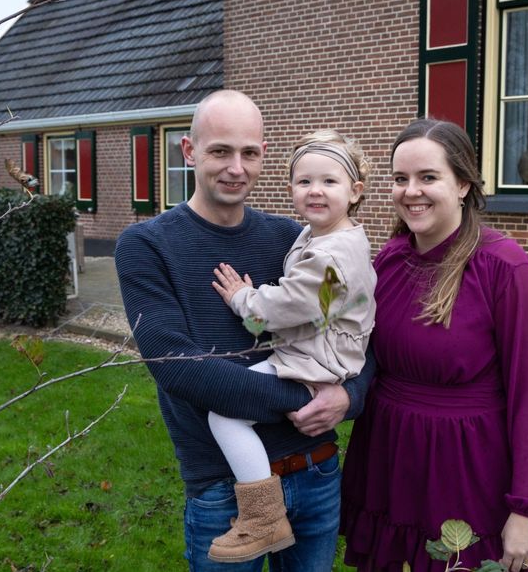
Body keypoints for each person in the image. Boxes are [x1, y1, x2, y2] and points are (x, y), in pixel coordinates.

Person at [115, 90, 375, 572]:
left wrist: (348, 397)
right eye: (220, 151)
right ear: (189, 151)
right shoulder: (146, 246)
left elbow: (358, 332)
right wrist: (306, 399)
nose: (236, 167)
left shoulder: (295, 239)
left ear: (263, 155)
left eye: (249, 153)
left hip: (314, 470)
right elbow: (178, 367)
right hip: (222, 489)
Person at [340, 118, 528, 572]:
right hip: (388, 456)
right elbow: (347, 336)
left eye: (428, 177)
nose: (410, 191)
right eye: (401, 179)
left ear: (462, 184)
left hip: (465, 467)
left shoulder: (505, 270)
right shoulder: (389, 259)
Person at [207, 130, 376, 562]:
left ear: (355, 191)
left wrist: (242, 298)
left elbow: (276, 310)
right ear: (290, 191)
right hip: (324, 350)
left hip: (316, 361)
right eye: (304, 182)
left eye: (329, 182)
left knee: (224, 414)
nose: (315, 191)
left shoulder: (329, 255)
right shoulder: (329, 236)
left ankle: (263, 517)